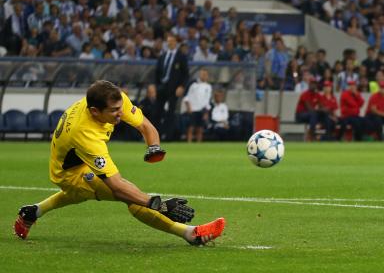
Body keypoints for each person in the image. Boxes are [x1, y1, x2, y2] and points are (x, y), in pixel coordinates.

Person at [13, 80, 225, 245]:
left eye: (119, 107)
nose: (120, 113)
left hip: (79, 161)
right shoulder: (85, 134)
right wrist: (158, 205)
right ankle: (190, 234)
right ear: (95, 112)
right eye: (114, 111)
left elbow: (145, 126)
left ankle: (32, 212)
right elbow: (117, 186)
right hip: (69, 174)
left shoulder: (114, 99)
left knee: (94, 192)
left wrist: (154, 147)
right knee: (130, 196)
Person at [155, 34, 189, 140]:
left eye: (172, 41)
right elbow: (157, 72)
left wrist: (182, 86)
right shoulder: (163, 56)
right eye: (168, 41)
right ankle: (155, 135)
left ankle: (168, 136)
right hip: (161, 87)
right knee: (157, 112)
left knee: (171, 112)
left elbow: (186, 74)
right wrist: (156, 85)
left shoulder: (181, 57)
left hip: (174, 88)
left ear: (176, 43)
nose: (170, 43)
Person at [183, 68, 212, 143]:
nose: (204, 76)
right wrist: (188, 106)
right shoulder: (193, 84)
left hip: (202, 109)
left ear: (207, 76)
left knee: (200, 128)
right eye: (202, 74)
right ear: (199, 75)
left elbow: (207, 100)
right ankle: (189, 143)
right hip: (193, 109)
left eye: (205, 75)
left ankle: (198, 144)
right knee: (191, 127)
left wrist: (206, 112)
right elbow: (186, 96)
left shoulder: (208, 87)